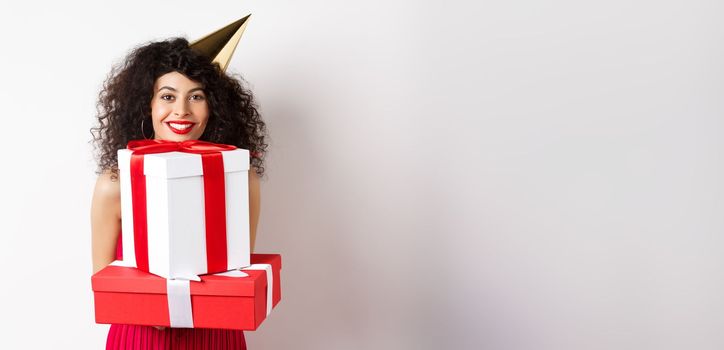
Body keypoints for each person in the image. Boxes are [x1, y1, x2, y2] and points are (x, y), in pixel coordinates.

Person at [90, 37, 267, 349]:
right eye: (168, 96)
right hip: (141, 335)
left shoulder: (241, 178)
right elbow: (103, 281)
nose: (181, 111)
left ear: (214, 104)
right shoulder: (115, 182)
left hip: (215, 333)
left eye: (196, 96)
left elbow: (239, 270)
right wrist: (148, 307)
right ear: (148, 104)